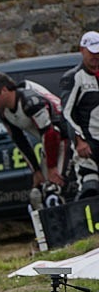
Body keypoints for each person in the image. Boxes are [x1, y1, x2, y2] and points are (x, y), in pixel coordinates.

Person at [0, 72, 70, 193]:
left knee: (55, 187)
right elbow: (20, 141)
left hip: (65, 139)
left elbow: (51, 133)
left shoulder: (30, 102)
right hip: (49, 144)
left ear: (3, 90)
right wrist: (36, 171)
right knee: (40, 191)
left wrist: (52, 167)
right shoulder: (4, 112)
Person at [61, 31, 99, 199]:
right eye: (92, 52)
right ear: (82, 50)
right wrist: (79, 140)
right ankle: (87, 225)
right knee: (90, 190)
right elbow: (67, 113)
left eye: (98, 52)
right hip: (88, 147)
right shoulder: (74, 77)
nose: (96, 56)